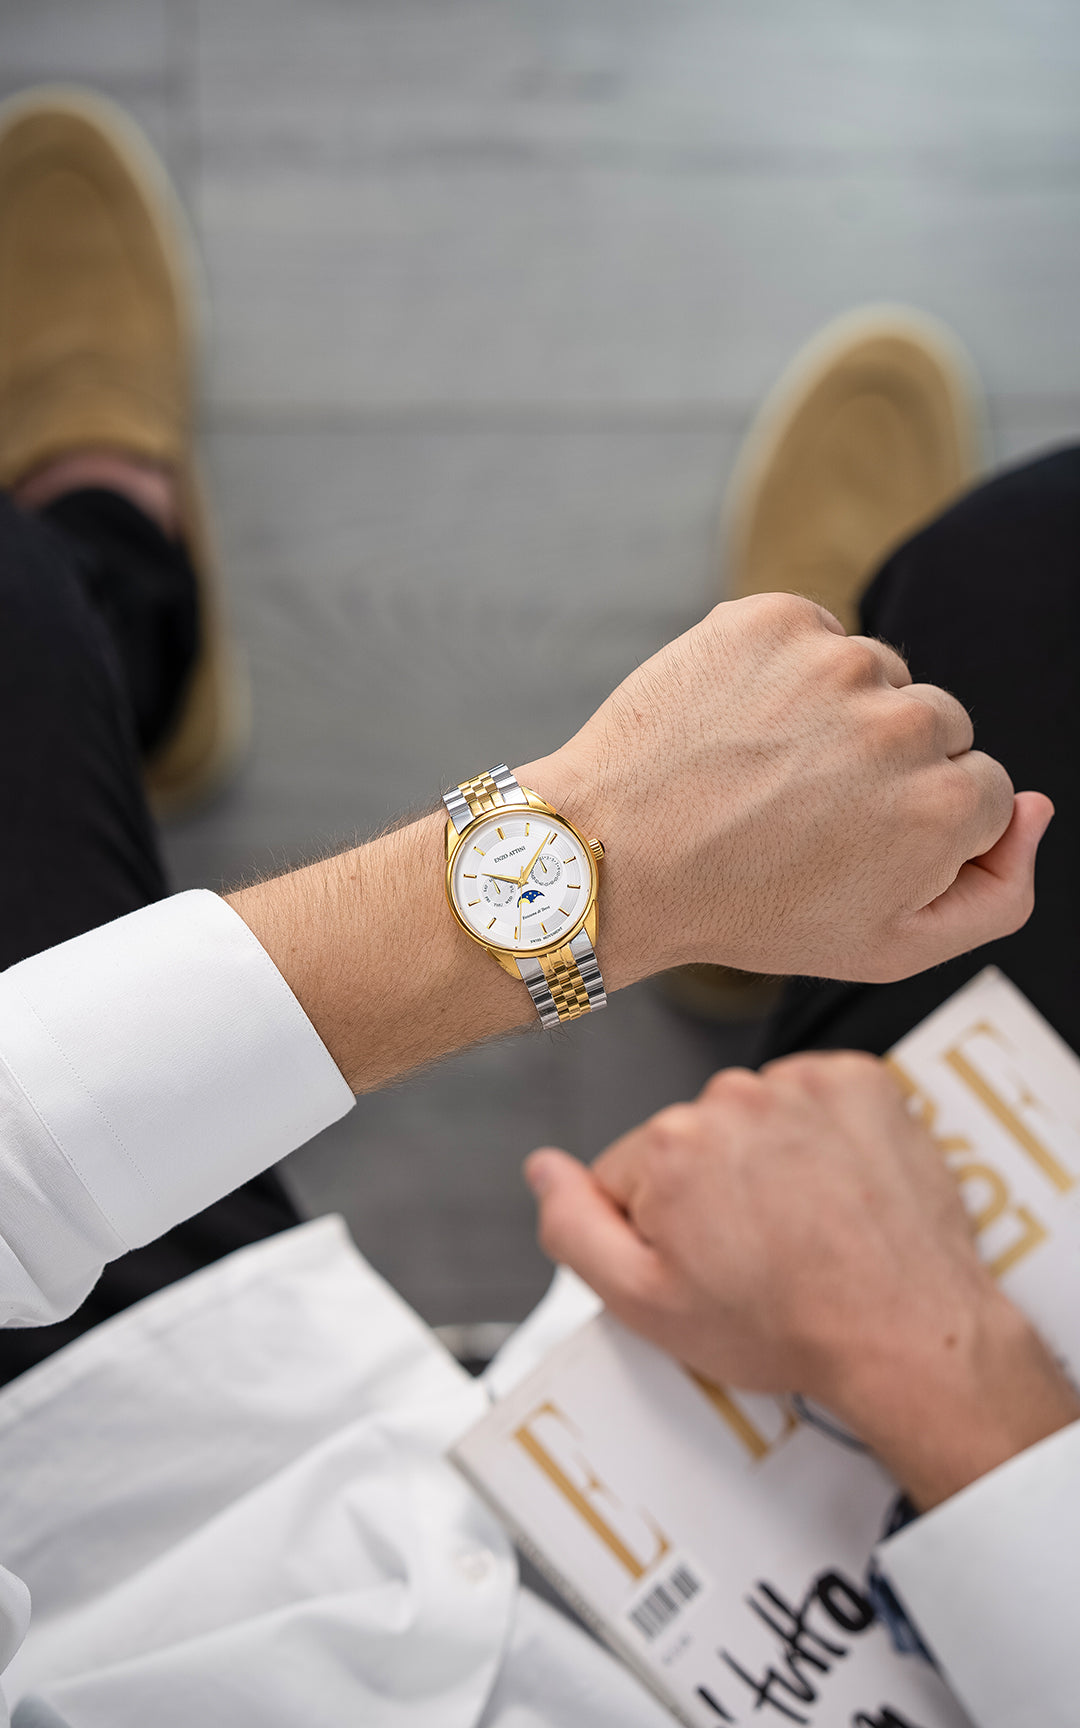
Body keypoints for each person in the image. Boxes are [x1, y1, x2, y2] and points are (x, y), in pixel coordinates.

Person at [0, 85, 1068, 1728]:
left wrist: (613, 854)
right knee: (1030, 575)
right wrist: (954, 1381)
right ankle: (828, 814)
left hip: (105, 1501)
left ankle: (118, 574)